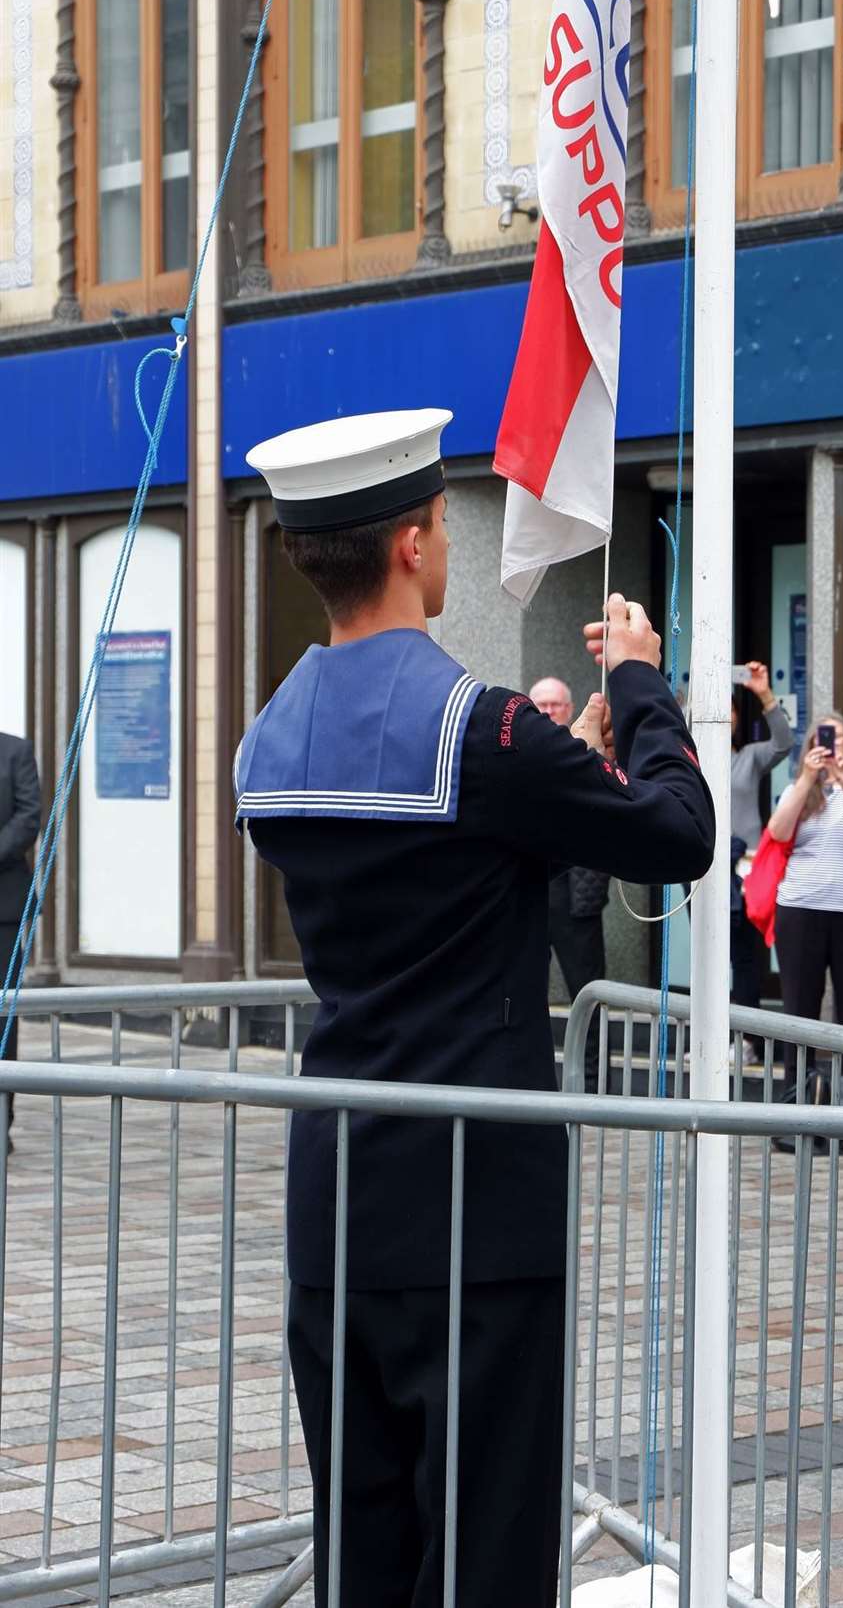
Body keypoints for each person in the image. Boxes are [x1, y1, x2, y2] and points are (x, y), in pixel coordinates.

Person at [235, 408, 715, 1608]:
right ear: (409, 546)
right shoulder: (489, 730)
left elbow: (429, 881)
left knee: (368, 1555)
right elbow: (679, 834)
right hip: (476, 1211)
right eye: (444, 526)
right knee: (489, 1560)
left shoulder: (268, 741)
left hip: (338, 1202)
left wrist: (564, 775)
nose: (449, 545)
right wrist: (645, 683)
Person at [767, 712, 843, 1126]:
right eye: (825, 737)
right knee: (799, 1009)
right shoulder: (799, 788)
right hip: (800, 909)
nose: (833, 743)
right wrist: (806, 779)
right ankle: (795, 1106)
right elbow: (779, 832)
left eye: (839, 737)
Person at [529, 676, 610, 1091]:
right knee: (526, 991)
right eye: (539, 705)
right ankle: (533, 1078)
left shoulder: (585, 748)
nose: (546, 712)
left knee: (588, 991)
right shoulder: (522, 752)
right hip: (529, 893)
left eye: (554, 705)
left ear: (570, 706)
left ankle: (593, 1083)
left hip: (578, 895)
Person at [730, 664, 792, 1062]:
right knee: (710, 951)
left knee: (747, 954)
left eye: (730, 709)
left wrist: (764, 695)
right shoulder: (686, 757)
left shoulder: (749, 757)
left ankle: (746, 1040)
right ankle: (709, 1036)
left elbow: (785, 743)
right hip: (703, 865)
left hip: (747, 865)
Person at [0, 731, 42, 1153]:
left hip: (3, 911)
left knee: (1, 1017)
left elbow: (29, 817)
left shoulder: (15, 751)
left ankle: (0, 1121)